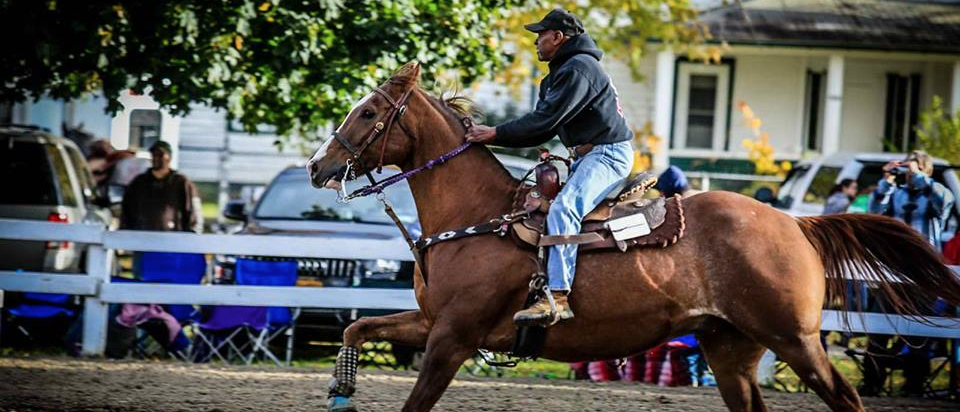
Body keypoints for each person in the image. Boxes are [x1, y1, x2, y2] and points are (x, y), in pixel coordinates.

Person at [465, 8, 634, 327]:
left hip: (607, 154)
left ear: (558, 37)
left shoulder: (578, 68)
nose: (536, 42)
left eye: (540, 35)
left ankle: (557, 297)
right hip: (590, 154)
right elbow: (543, 129)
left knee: (563, 209)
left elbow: (543, 121)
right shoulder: (563, 72)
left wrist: (494, 133)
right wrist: (496, 137)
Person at [860, 150, 955, 396]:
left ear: (926, 170)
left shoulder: (937, 193)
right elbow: (875, 213)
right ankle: (872, 381)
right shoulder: (897, 194)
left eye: (913, 167)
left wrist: (920, 177)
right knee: (878, 329)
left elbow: (945, 203)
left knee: (917, 332)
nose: (909, 173)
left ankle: (913, 385)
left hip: (923, 274)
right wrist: (886, 182)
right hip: (893, 271)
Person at [120, 141, 203, 233]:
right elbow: (126, 209)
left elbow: (193, 211)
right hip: (142, 239)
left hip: (172, 239)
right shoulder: (139, 182)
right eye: (154, 154)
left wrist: (192, 234)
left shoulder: (181, 183)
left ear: (169, 158)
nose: (156, 158)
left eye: (160, 155)